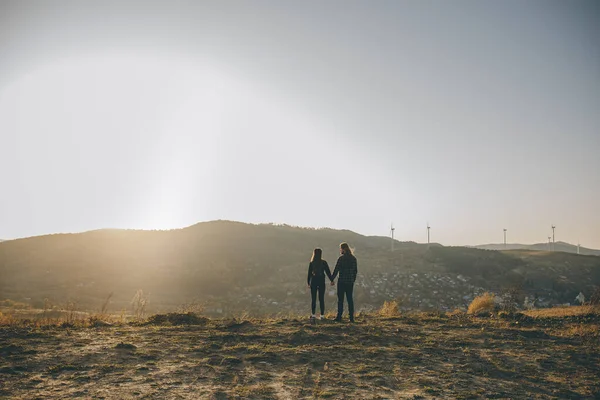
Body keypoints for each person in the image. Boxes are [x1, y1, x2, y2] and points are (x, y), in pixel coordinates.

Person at [331, 242, 358, 322]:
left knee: (340, 300)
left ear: (343, 249)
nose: (340, 250)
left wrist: (332, 279)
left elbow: (336, 270)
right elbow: (355, 271)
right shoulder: (353, 259)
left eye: (340, 249)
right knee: (350, 299)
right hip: (350, 282)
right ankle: (351, 318)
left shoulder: (341, 259)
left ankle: (339, 317)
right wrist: (353, 280)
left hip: (342, 281)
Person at [307, 248, 333, 320]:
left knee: (313, 299)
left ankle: (313, 315)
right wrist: (331, 280)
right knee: (321, 299)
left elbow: (309, 274)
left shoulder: (312, 263)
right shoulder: (324, 262)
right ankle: (322, 315)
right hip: (321, 282)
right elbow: (328, 272)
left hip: (314, 282)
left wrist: (308, 283)